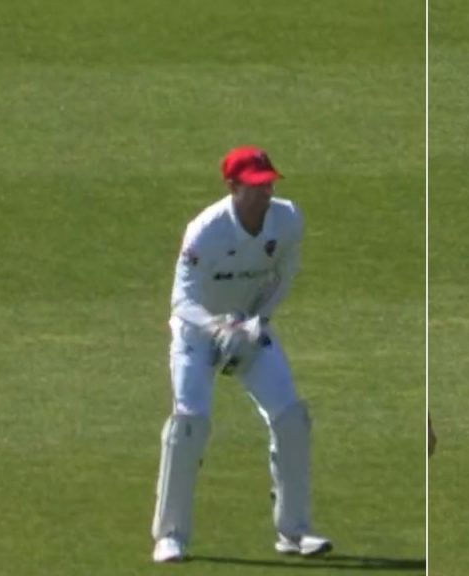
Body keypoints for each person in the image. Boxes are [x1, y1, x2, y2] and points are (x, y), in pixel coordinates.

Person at [151, 146, 332, 563]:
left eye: (268, 183)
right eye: (254, 186)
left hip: (247, 329)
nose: (264, 192)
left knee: (292, 418)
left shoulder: (287, 219)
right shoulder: (205, 231)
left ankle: (295, 530)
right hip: (197, 333)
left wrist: (256, 323)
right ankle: (170, 536)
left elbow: (285, 276)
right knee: (189, 424)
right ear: (232, 187)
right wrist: (218, 327)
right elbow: (182, 301)